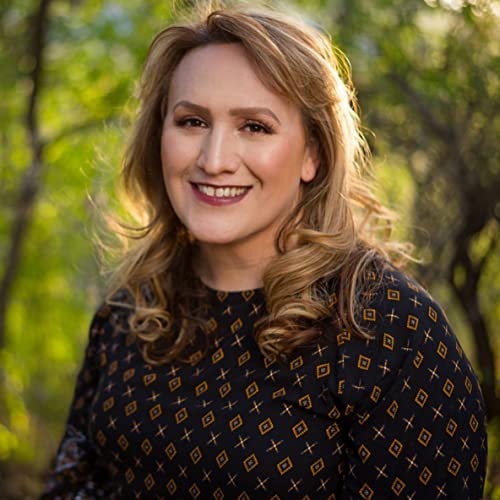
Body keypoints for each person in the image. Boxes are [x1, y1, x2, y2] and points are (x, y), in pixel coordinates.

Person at [41, 3, 487, 499]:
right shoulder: (132, 307)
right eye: (192, 121)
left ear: (313, 154)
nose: (214, 160)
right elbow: (73, 483)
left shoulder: (392, 332)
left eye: (254, 126)